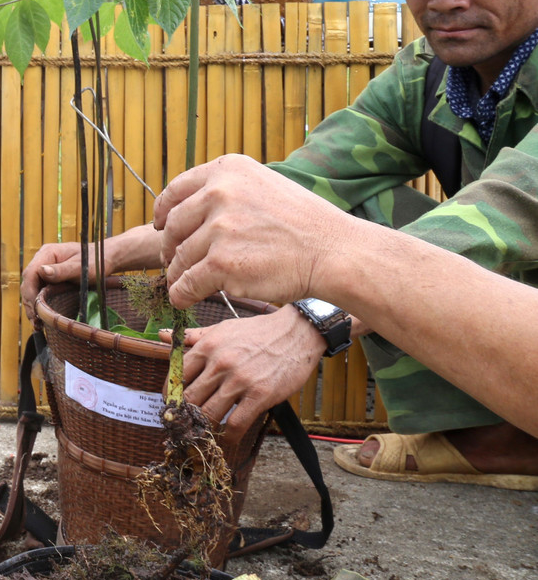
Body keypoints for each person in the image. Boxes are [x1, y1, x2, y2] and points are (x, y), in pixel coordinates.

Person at [22, 0, 538, 488]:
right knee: (352, 211)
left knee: (381, 242)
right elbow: (302, 186)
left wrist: (309, 324)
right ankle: (492, 436)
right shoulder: (431, 75)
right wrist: (111, 253)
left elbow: (496, 220)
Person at [153, 155, 538, 444]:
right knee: (362, 195)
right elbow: (309, 176)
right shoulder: (428, 81)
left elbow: (492, 215)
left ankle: (499, 440)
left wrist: (311, 315)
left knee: (371, 210)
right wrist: (120, 250)